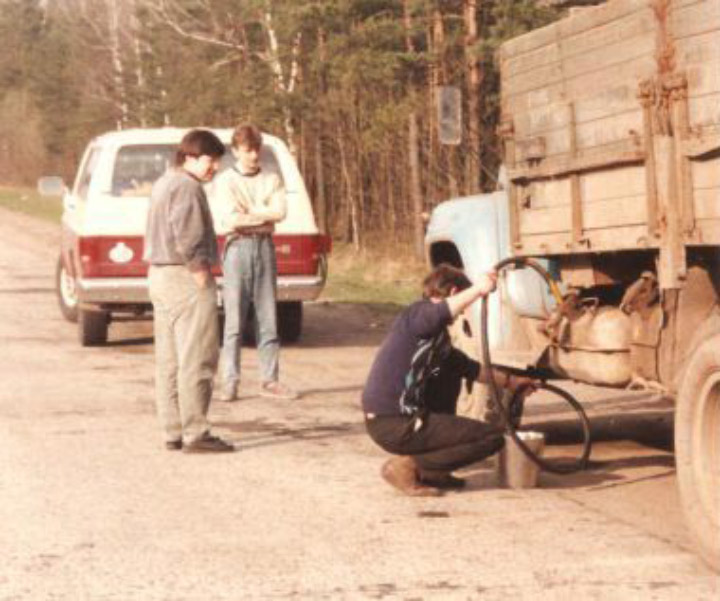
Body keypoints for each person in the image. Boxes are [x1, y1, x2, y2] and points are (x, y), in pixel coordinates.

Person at [362, 263, 534, 496]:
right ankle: (408, 466)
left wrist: (513, 382)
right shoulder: (418, 314)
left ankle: (433, 473)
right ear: (453, 292)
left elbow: (471, 369)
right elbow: (439, 312)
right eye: (462, 303)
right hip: (394, 423)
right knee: (492, 437)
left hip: (395, 421)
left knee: (450, 370)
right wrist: (478, 290)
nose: (464, 312)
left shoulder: (437, 340)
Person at [144, 129, 234, 453]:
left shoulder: (164, 182)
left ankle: (172, 430)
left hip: (159, 275)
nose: (215, 168)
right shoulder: (187, 186)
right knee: (197, 356)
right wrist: (201, 275)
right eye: (211, 160)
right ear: (191, 157)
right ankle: (196, 432)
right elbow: (188, 236)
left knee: (168, 360)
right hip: (184, 277)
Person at [213, 123, 297, 401]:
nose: (253, 155)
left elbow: (280, 212)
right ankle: (229, 381)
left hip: (264, 248)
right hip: (237, 248)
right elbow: (230, 218)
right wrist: (262, 214)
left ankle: (270, 380)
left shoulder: (272, 178)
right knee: (234, 320)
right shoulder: (225, 180)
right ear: (236, 151)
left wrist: (251, 211)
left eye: (256, 149)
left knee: (268, 317)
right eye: (248, 150)